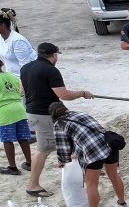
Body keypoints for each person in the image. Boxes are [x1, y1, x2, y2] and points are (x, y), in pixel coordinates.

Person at [21, 43, 93, 198]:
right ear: (53, 55)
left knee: (70, 139)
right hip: (44, 114)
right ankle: (32, 185)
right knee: (44, 149)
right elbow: (64, 95)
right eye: (56, 55)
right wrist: (82, 93)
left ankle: (87, 171)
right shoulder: (51, 70)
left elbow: (22, 90)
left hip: (34, 111)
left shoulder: (25, 68)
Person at [50, 101, 128, 207]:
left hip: (93, 151)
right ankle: (122, 204)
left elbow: (63, 147)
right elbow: (89, 131)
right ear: (65, 108)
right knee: (114, 176)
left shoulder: (59, 123)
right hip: (109, 144)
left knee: (91, 184)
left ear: (52, 116)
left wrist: (62, 161)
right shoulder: (80, 113)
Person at [0, 55, 32, 175]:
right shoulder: (13, 77)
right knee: (23, 138)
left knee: (7, 140)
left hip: (4, 113)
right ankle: (29, 163)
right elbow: (20, 93)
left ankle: (12, 167)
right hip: (19, 110)